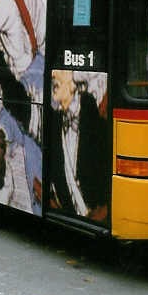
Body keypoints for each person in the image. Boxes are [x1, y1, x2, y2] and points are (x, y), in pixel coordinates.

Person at [49, 69, 110, 222]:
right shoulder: (53, 122)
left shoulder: (97, 124)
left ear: (75, 84)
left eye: (62, 70)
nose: (53, 74)